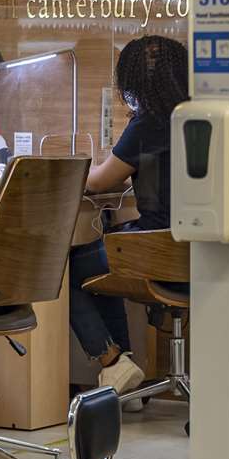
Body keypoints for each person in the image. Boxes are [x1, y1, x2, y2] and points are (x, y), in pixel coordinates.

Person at [66, 34, 189, 403]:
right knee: (102, 264)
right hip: (196, 252)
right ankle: (125, 374)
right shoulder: (199, 115)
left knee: (66, 268)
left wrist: (70, 172)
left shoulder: (150, 122)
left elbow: (102, 180)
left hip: (157, 250)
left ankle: (113, 361)